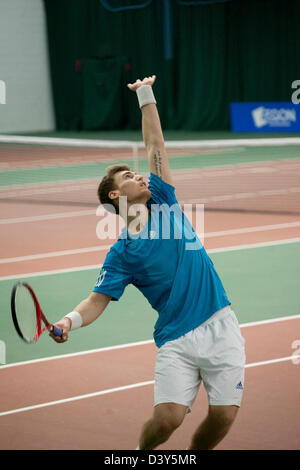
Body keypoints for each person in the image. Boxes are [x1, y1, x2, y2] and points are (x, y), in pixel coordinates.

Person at [50, 75, 246, 450]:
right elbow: (97, 299)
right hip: (175, 337)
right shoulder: (121, 252)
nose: (138, 175)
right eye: (128, 176)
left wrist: (145, 93)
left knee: (223, 416)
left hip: (220, 322)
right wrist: (67, 322)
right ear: (114, 194)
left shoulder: (164, 199)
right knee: (166, 420)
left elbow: (155, 143)